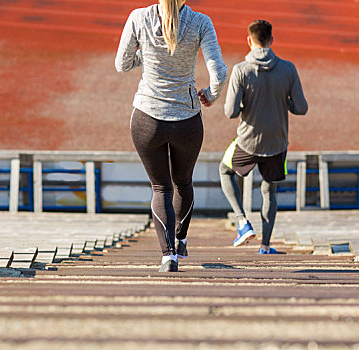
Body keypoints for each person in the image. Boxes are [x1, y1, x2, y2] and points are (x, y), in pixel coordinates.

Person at [115, 0, 227, 272]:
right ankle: (181, 238)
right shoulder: (201, 22)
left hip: (146, 119)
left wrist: (148, 55)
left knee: (160, 188)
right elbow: (220, 73)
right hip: (187, 120)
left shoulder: (138, 17)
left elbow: (122, 64)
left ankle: (169, 256)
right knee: (183, 182)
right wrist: (210, 96)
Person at [218, 19, 308, 254]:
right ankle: (265, 246)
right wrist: (281, 99)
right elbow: (301, 108)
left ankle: (242, 222)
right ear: (272, 40)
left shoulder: (240, 70)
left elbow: (230, 112)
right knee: (270, 191)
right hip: (277, 144)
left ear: (249, 41)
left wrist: (246, 104)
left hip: (247, 141)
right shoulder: (288, 69)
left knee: (224, 171)